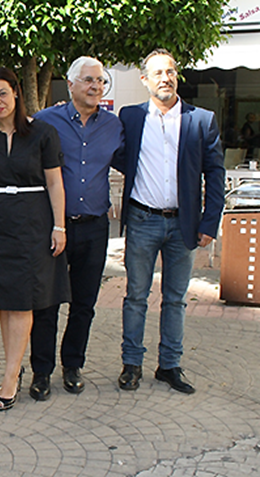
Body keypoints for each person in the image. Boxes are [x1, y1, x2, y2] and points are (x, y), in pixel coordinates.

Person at [115, 49, 225, 394]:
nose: (166, 78)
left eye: (171, 72)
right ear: (145, 80)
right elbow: (116, 154)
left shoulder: (201, 120)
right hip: (142, 218)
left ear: (177, 76)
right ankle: (131, 364)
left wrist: (210, 223)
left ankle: (170, 365)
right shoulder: (130, 117)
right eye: (158, 73)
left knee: (176, 298)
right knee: (136, 296)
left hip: (184, 225)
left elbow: (216, 174)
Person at [29, 57, 123, 401]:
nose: (96, 86)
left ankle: (72, 365)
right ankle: (41, 371)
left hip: (96, 227)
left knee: (84, 303)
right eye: (88, 80)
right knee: (46, 303)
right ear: (70, 84)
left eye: (101, 81)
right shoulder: (44, 121)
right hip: (54, 227)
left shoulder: (114, 126)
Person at [0, 67, 70, 411]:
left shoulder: (43, 133)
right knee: (5, 300)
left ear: (16, 92)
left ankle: (10, 376)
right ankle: (13, 366)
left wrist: (59, 226)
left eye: (2, 93)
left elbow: (56, 183)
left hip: (34, 220)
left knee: (24, 301)